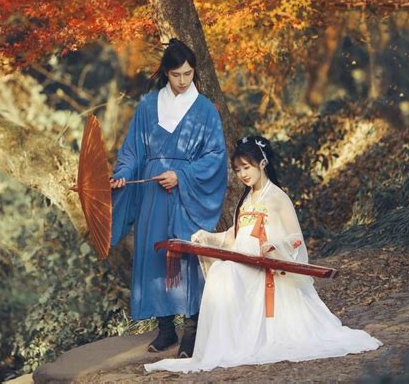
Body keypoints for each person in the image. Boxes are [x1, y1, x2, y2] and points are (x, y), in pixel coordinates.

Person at [144, 135, 382, 373]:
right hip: (244, 264)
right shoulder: (246, 199)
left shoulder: (277, 197)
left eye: (246, 168)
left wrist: (275, 246)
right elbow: (234, 236)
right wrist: (207, 237)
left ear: (262, 164)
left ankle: (231, 342)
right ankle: (226, 343)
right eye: (238, 170)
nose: (242, 174)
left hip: (265, 268)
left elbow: (296, 237)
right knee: (221, 270)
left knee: (224, 271)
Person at [110, 39, 228, 358]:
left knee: (185, 256)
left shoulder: (204, 109)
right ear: (165, 72)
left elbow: (217, 155)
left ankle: (191, 331)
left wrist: (182, 175)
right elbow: (133, 149)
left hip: (186, 194)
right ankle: (166, 330)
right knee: (154, 256)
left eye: (188, 74)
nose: (183, 80)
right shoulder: (148, 105)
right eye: (176, 74)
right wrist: (122, 173)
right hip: (152, 194)